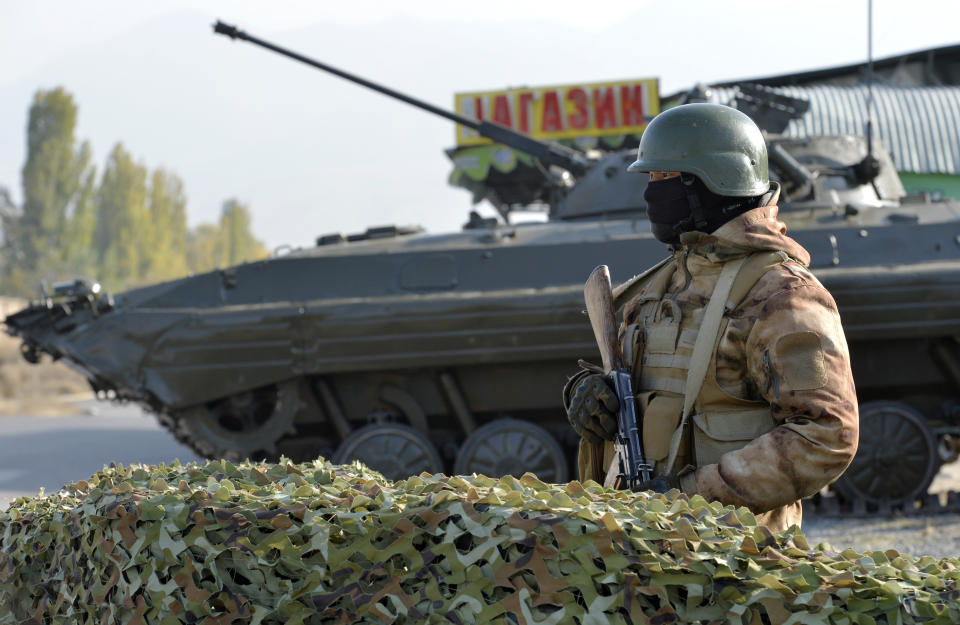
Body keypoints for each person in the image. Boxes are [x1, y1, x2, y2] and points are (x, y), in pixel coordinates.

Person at [563, 103, 859, 532]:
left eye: (664, 178)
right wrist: (591, 394)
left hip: (736, 563)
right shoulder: (659, 286)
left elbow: (826, 435)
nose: (650, 194)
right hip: (641, 547)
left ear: (711, 183)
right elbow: (652, 389)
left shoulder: (782, 296)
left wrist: (690, 496)